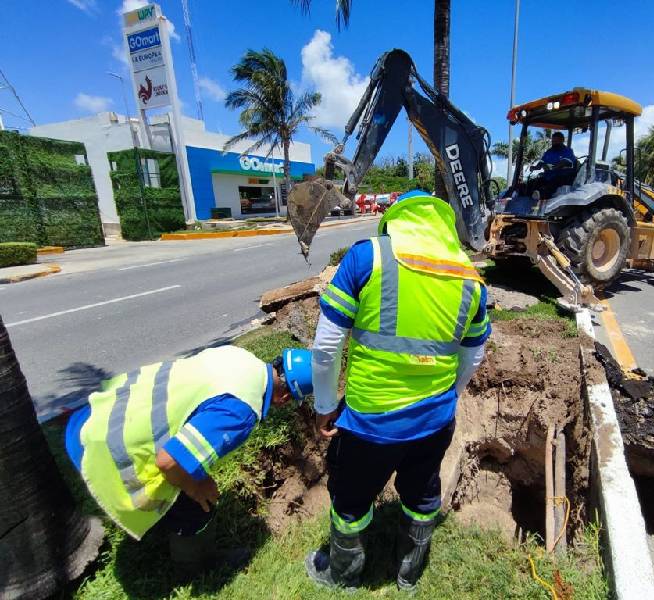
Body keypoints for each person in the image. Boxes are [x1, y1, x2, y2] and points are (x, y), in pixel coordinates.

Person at [305, 189, 491, 591]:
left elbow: (325, 348)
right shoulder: (470, 279)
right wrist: (451, 397)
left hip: (370, 421)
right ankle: (409, 574)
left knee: (351, 499)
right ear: (444, 228)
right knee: (422, 495)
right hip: (434, 420)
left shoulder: (367, 257)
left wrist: (324, 405)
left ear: (394, 222)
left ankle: (342, 574)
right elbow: (473, 357)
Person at [64, 345, 313, 576]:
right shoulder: (241, 412)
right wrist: (196, 487)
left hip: (98, 415)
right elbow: (168, 461)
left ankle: (165, 529)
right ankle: (194, 568)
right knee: (198, 506)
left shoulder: (239, 356)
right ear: (285, 398)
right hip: (106, 451)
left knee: (190, 477)